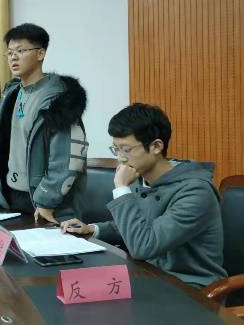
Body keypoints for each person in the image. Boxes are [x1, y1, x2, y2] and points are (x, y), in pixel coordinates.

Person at [60, 103, 227, 287]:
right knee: (73, 287)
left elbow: (144, 245)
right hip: (148, 277)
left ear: (156, 146)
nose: (120, 158)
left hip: (189, 287)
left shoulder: (196, 191)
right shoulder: (141, 178)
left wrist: (121, 188)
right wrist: (93, 229)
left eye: (126, 149)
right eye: (116, 149)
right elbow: (137, 226)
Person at [0, 23, 87, 223]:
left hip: (43, 203)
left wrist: (46, 201)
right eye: (10, 53)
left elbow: (67, 159)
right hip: (8, 197)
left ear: (40, 53)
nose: (13, 57)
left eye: (20, 51)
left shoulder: (61, 98)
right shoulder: (12, 93)